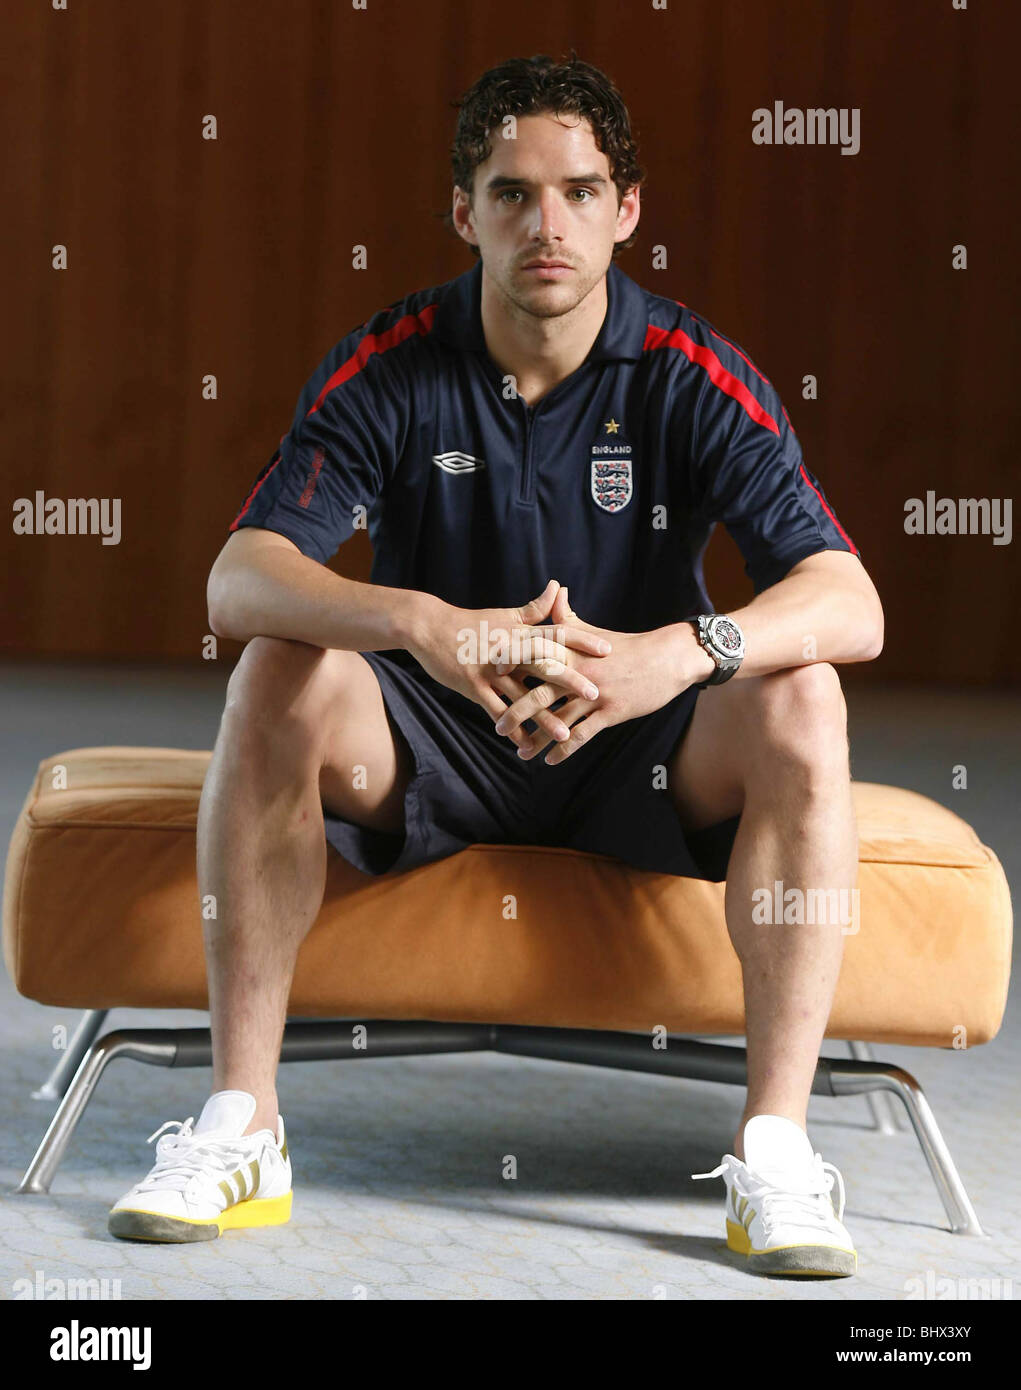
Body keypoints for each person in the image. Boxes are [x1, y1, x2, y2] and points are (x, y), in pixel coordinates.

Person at [108, 53, 882, 1278]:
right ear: (460, 211)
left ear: (628, 211)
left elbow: (850, 599)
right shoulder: (394, 361)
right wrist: (421, 622)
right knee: (274, 671)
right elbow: (236, 580)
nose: (547, 225)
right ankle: (241, 1126)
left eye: (579, 191)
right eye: (511, 194)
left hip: (641, 741)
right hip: (435, 734)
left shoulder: (692, 372)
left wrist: (669, 657)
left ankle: (776, 1149)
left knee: (804, 697)